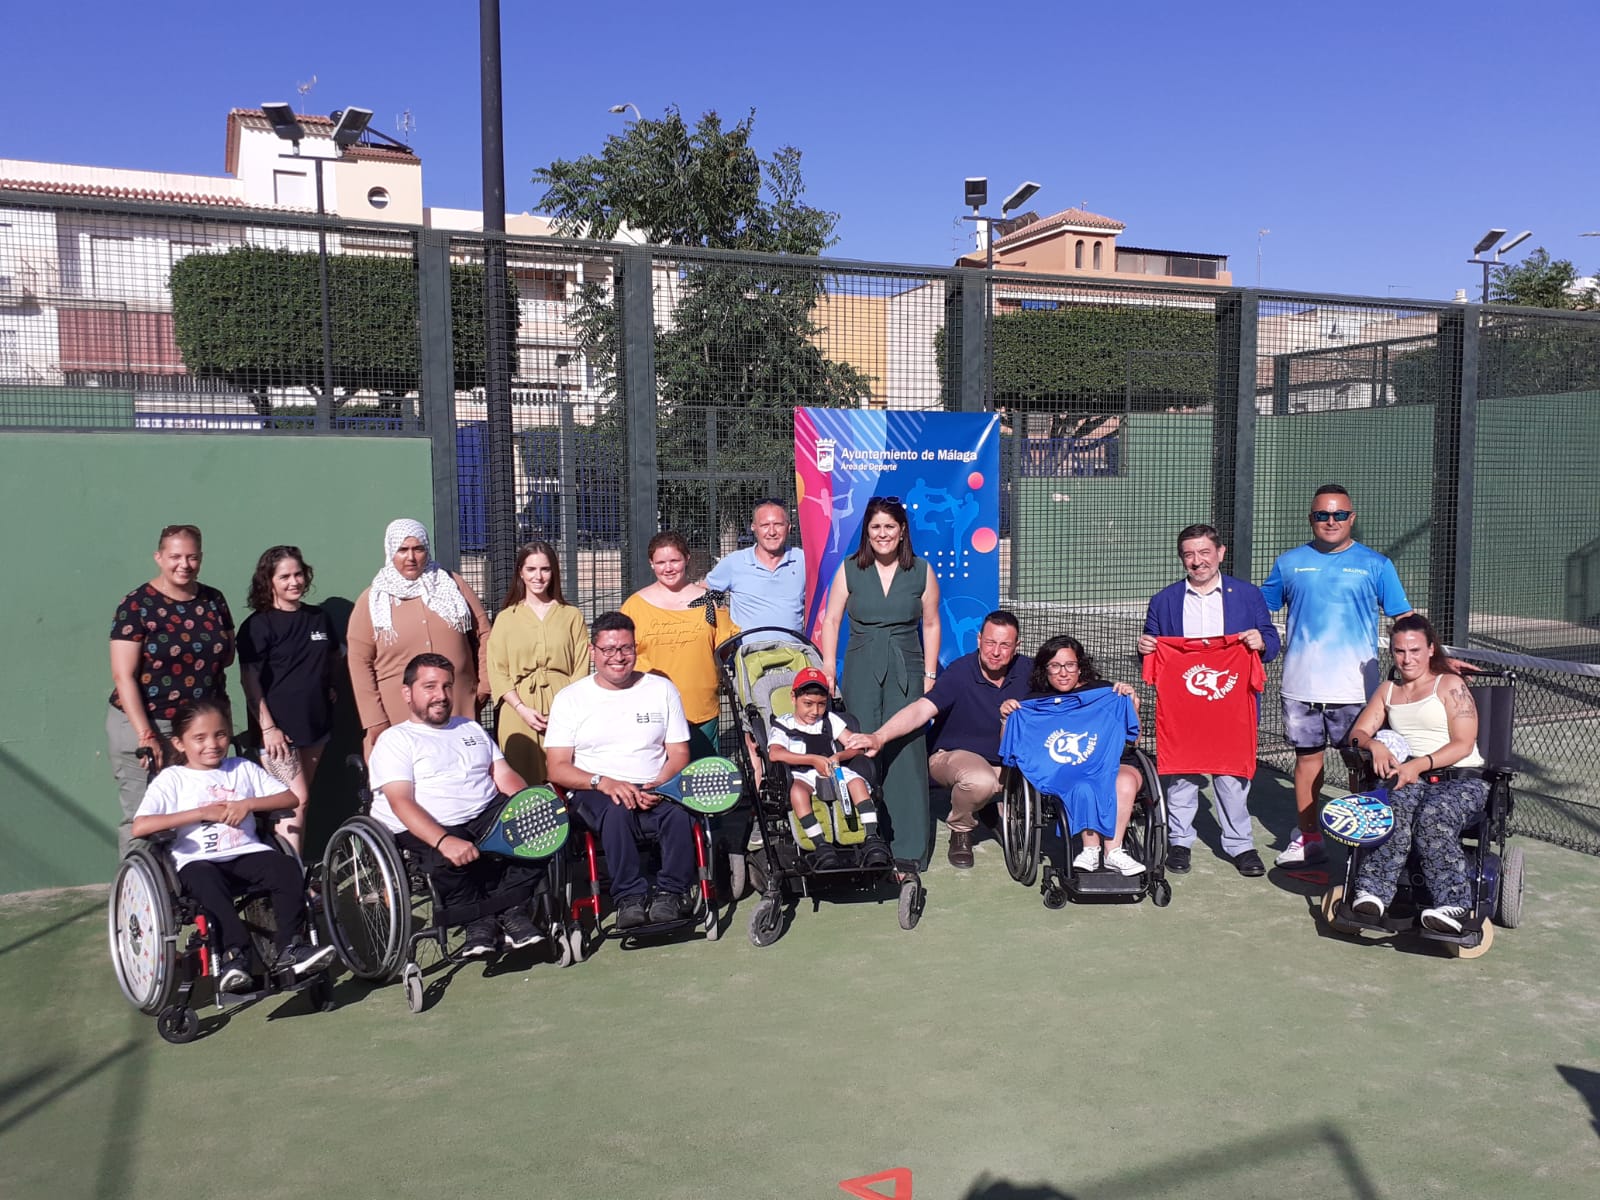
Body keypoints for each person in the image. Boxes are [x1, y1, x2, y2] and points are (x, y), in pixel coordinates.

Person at [130, 698, 335, 992]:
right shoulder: (172, 779)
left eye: (220, 734)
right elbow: (141, 826)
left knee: (286, 868)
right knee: (207, 883)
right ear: (179, 742)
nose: (212, 744)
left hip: (246, 853)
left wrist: (247, 804)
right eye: (199, 738)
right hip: (198, 861)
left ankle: (290, 948)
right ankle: (234, 955)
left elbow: (290, 799)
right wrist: (201, 813)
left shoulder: (241, 768)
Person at [1259, 485, 1413, 868]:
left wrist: (1440, 660)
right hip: (1300, 688)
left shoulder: (1376, 565)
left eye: (1339, 515)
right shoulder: (1290, 562)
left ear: (1352, 518)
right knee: (1307, 761)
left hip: (1357, 691)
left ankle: (1365, 842)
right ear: (1311, 519)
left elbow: (1406, 621)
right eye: (1322, 515)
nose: (1331, 521)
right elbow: (1257, 609)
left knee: (1360, 764)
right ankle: (1309, 838)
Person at [366, 653, 547, 959]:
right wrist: (444, 840)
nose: (441, 696)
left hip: (484, 811)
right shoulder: (395, 740)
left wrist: (528, 806)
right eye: (430, 687)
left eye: (447, 686)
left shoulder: (471, 728)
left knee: (545, 835)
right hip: (431, 823)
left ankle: (509, 912)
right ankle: (479, 921)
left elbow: (502, 775)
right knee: (445, 858)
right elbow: (401, 801)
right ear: (407, 693)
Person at [1137, 524, 1281, 877]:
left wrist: (1260, 643)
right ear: (1181, 558)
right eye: (1189, 554)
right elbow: (1152, 653)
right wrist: (1145, 648)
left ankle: (1240, 844)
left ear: (1220, 552)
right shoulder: (1164, 600)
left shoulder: (1247, 596)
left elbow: (1271, 641)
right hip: (1184, 707)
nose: (1197, 561)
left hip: (1231, 705)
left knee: (1231, 776)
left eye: (1204, 553)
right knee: (1181, 775)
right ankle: (1180, 841)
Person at [543, 612, 699, 930]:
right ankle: (629, 898)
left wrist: (659, 784)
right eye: (609, 649)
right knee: (616, 811)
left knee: (680, 814)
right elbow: (556, 768)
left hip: (654, 785)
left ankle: (671, 893)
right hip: (595, 790)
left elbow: (679, 753)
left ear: (635, 648)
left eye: (626, 648)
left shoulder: (661, 689)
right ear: (593, 651)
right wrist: (603, 782)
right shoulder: (571, 699)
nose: (618, 657)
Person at [845, 611, 1030, 869]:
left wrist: (1106, 689)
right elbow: (921, 709)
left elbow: (1067, 684)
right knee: (980, 781)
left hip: (1003, 763)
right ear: (978, 639)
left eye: (1005, 645)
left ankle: (983, 804)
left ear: (1017, 646)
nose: (996, 651)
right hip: (950, 757)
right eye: (990, 642)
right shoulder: (961, 672)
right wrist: (879, 736)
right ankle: (961, 830)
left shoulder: (1028, 671)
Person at [817, 497, 942, 871]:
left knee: (905, 751)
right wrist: (828, 666)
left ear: (901, 530)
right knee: (860, 747)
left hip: (907, 664)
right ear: (866, 533)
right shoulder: (849, 570)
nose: (883, 534)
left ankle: (908, 847)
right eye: (876, 527)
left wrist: (930, 674)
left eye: (890, 526)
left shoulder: (921, 571)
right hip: (860, 666)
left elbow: (932, 624)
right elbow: (832, 620)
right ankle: (868, 839)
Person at [1344, 615, 1487, 932]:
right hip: (1409, 777)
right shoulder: (1388, 690)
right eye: (1399, 651)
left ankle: (1454, 905)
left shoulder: (1450, 685)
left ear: (1431, 649)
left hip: (1461, 779)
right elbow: (1357, 734)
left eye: (1415, 650)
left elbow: (1464, 743)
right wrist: (1375, 745)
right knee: (1393, 808)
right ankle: (1372, 895)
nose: (1407, 659)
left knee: (1432, 815)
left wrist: (1418, 764)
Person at [108, 523, 235, 856]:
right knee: (145, 818)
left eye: (192, 557)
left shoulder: (213, 599)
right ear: (159, 557)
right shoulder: (136, 605)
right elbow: (124, 677)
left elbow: (226, 657)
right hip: (149, 725)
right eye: (175, 556)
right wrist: (146, 735)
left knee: (196, 810)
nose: (184, 564)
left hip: (199, 728)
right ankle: (137, 904)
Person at [348, 518, 492, 757]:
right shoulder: (373, 599)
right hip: (398, 717)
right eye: (402, 550)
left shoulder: (452, 584)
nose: (411, 557)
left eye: (418, 549)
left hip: (458, 710)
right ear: (390, 552)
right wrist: (374, 720)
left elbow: (485, 633)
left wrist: (484, 685)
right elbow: (358, 660)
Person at [1002, 637, 1143, 874]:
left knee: (1124, 782)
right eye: (1055, 666)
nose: (1063, 673)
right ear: (1044, 670)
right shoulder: (1032, 704)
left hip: (1112, 762)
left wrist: (1132, 704)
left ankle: (1113, 851)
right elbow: (1013, 750)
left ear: (1080, 666)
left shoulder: (1105, 693)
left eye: (1070, 665)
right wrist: (1007, 719)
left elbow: (1133, 739)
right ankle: (1090, 850)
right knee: (1082, 783)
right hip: (1067, 770)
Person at [237, 545, 342, 854]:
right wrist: (268, 728)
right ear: (268, 581)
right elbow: (249, 679)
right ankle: (292, 880)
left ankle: (282, 870)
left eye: (298, 574)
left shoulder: (319, 618)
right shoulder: (258, 626)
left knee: (298, 804)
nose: (294, 582)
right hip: (278, 735)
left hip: (317, 726)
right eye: (284, 576)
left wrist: (331, 684)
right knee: (295, 801)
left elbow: (334, 657)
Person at [621, 530, 733, 760]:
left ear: (687, 559)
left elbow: (726, 647)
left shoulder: (709, 601)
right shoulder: (635, 606)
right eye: (661, 562)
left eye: (674, 560)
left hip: (699, 708)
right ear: (651, 564)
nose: (668, 568)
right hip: (652, 709)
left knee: (702, 779)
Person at [486, 541, 590, 785]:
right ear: (520, 572)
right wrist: (521, 708)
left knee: (566, 777)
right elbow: (497, 670)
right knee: (523, 783)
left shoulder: (571, 615)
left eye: (545, 569)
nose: (538, 576)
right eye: (531, 569)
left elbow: (580, 668)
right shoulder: (506, 618)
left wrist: (563, 710)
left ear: (553, 572)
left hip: (563, 708)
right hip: (519, 710)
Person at [767, 667, 892, 870]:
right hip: (802, 773)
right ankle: (821, 845)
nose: (815, 711)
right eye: (808, 704)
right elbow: (775, 753)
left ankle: (871, 837)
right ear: (793, 698)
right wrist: (813, 759)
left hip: (835, 771)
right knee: (797, 792)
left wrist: (839, 756)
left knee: (858, 782)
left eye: (821, 705)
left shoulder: (830, 720)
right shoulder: (783, 724)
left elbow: (854, 745)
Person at [704, 499, 807, 634]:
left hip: (794, 652)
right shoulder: (734, 562)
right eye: (765, 525)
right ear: (754, 527)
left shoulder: (803, 561)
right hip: (748, 653)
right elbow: (703, 591)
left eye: (778, 524)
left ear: (788, 527)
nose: (772, 532)